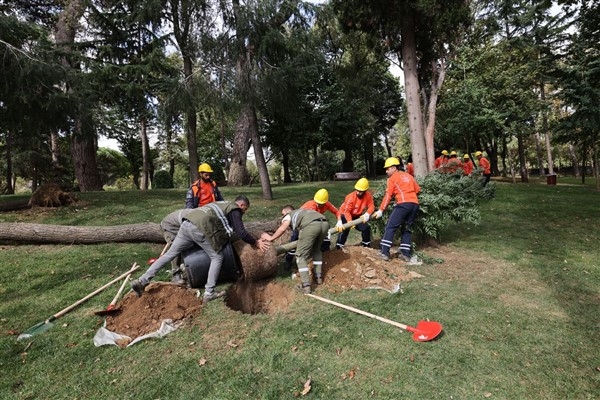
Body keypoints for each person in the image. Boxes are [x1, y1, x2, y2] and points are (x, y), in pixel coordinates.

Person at [131, 195, 270, 302]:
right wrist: (256, 242)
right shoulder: (235, 209)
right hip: (199, 228)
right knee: (217, 257)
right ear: (241, 205)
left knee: (170, 254)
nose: (243, 213)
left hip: (187, 223)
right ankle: (209, 293)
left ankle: (142, 280)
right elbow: (242, 233)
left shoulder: (222, 204)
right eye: (244, 210)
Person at [262, 205, 329, 294]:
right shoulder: (303, 211)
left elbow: (282, 228)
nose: (282, 216)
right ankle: (318, 278)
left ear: (286, 212)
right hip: (324, 223)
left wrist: (271, 238)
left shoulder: (288, 215)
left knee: (300, 256)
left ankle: (306, 286)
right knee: (316, 250)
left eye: (282, 214)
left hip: (310, 226)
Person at [373, 157, 420, 262]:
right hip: (415, 205)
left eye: (387, 169)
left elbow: (388, 195)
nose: (386, 171)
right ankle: (405, 254)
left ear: (394, 168)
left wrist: (381, 210)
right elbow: (417, 189)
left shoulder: (392, 179)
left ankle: (384, 252)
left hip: (403, 205)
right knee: (406, 229)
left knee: (390, 227)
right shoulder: (408, 176)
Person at [284, 188, 338, 269]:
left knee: (325, 239)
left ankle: (326, 256)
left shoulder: (327, 204)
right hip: (300, 225)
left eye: (321, 203)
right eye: (318, 203)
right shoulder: (310, 206)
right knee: (294, 243)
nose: (319, 205)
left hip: (316, 223)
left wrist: (339, 220)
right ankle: (288, 260)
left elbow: (337, 211)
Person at [335, 178, 375, 249]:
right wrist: (350, 222)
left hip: (356, 215)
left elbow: (371, 206)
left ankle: (366, 244)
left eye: (360, 191)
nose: (358, 192)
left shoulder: (368, 196)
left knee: (366, 228)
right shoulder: (350, 197)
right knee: (345, 230)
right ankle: (339, 246)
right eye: (357, 190)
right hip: (345, 215)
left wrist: (367, 214)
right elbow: (346, 211)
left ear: (365, 191)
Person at [159, 208, 195, 284]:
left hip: (182, 223)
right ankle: (176, 275)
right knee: (175, 248)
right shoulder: (196, 219)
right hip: (170, 226)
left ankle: (189, 268)